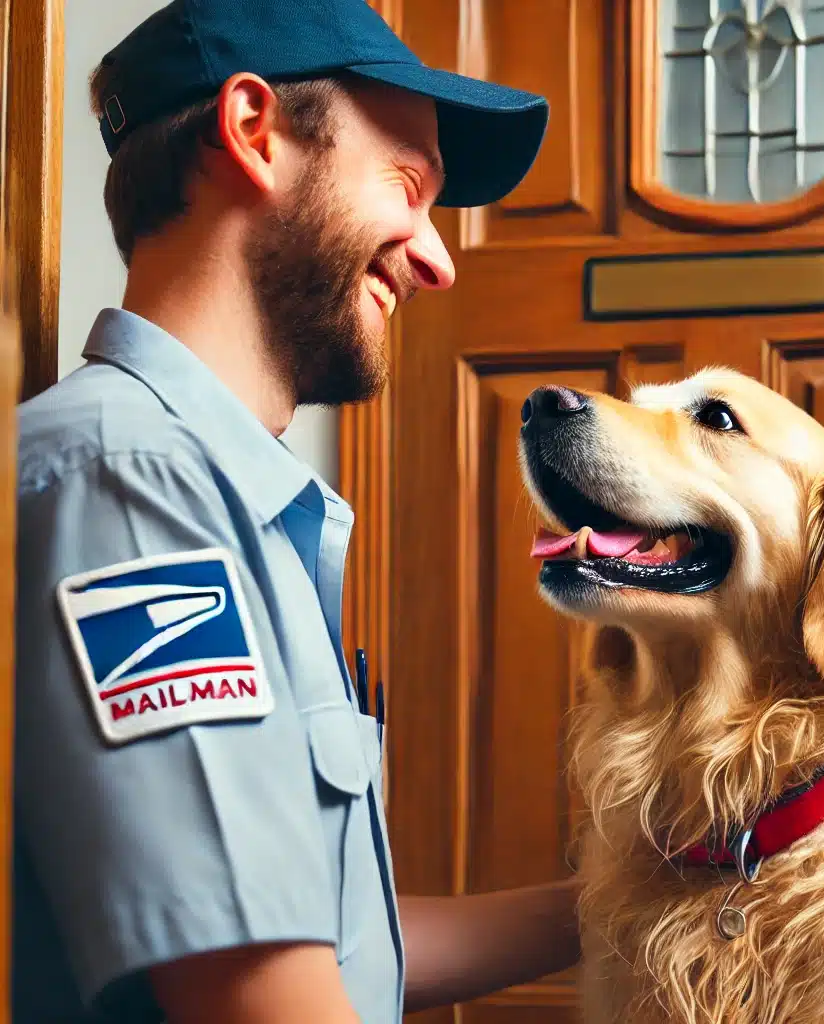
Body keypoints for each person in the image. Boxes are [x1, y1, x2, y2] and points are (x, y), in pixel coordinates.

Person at [14, 1, 580, 1021]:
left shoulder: (223, 490)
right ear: (252, 130)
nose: (437, 258)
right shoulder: (132, 479)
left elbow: (331, 947)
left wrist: (646, 898)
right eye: (409, 188)